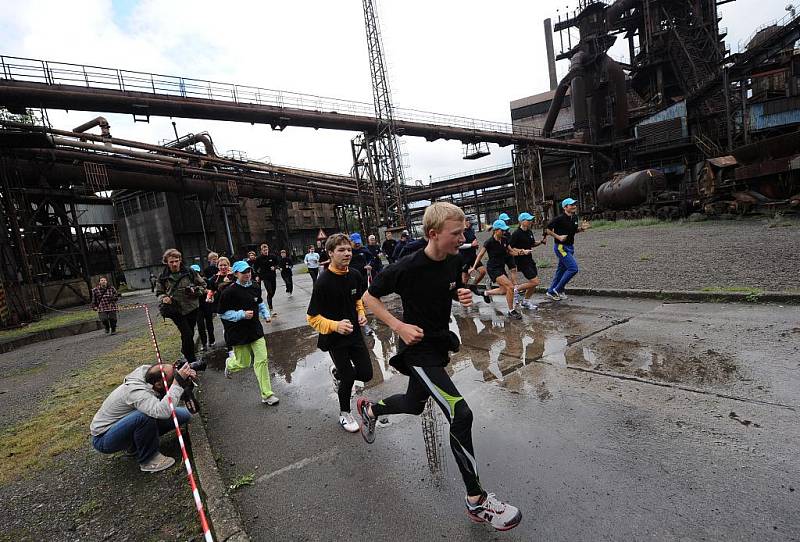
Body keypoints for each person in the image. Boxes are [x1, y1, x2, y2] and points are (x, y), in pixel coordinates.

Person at [358, 202, 522, 531]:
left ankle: (370, 411)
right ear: (433, 234)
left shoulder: (453, 261)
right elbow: (368, 298)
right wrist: (398, 326)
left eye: (463, 231)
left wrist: (460, 294)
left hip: (438, 343)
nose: (463, 238)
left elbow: (446, 289)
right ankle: (476, 501)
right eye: (456, 233)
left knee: (415, 405)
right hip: (417, 349)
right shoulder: (407, 266)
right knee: (461, 414)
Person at [306, 233, 373, 433]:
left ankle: (338, 373)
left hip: (354, 335)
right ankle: (345, 414)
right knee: (348, 377)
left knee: (367, 374)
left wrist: (361, 313)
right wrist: (336, 325)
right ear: (330, 253)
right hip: (334, 339)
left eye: (349, 249)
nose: (346, 253)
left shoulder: (354, 275)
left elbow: (357, 299)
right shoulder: (323, 282)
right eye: (341, 250)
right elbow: (312, 318)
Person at [90, 362, 196, 473]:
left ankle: (135, 445)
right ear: (159, 384)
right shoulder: (135, 391)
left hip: (125, 423)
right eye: (173, 376)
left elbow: (168, 396)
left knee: (185, 415)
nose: (175, 375)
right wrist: (177, 384)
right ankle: (149, 460)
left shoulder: (149, 377)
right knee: (145, 417)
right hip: (104, 437)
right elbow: (162, 411)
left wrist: (184, 383)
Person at [219, 260, 278, 405]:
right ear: (236, 274)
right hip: (238, 333)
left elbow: (259, 302)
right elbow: (223, 314)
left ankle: (267, 395)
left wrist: (266, 314)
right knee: (243, 363)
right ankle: (230, 363)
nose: (247, 274)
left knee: (262, 360)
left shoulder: (255, 286)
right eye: (244, 272)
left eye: (249, 271)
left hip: (255, 330)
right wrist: (241, 315)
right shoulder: (229, 292)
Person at [155, 249, 207, 364]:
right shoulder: (163, 276)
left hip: (192, 307)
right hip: (175, 310)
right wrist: (164, 298)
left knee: (190, 333)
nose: (174, 264)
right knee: (187, 333)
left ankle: (185, 351)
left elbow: (203, 285)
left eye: (176, 261)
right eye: (171, 262)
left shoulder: (190, 272)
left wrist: (195, 291)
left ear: (180, 260)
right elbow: (159, 292)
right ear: (166, 262)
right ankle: (191, 360)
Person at [470, 220, 523, 320]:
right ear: (495, 230)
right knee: (510, 287)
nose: (504, 232)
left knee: (503, 290)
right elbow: (480, 255)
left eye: (504, 230)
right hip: (493, 269)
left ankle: (486, 293)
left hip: (501, 267)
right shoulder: (489, 242)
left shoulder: (505, 240)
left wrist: (521, 252)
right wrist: (473, 267)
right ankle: (511, 311)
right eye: (502, 230)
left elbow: (511, 251)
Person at [545, 197, 589, 300]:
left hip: (570, 247)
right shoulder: (559, 218)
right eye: (571, 205)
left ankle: (551, 291)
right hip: (561, 247)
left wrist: (581, 229)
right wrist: (558, 237)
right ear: (565, 207)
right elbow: (547, 230)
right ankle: (559, 289)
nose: (574, 206)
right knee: (573, 268)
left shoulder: (574, 218)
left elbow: (573, 231)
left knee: (561, 270)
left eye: (575, 204)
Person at [509, 212, 545, 310]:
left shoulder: (529, 232)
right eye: (528, 220)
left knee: (533, 282)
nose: (530, 222)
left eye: (530, 220)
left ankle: (526, 301)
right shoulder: (516, 233)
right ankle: (516, 289)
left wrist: (541, 242)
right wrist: (522, 251)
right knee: (535, 282)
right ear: (521, 221)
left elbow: (532, 244)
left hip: (530, 260)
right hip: (521, 261)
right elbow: (510, 248)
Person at [191, 264, 216, 350]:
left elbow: (211, 290)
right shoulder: (190, 284)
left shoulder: (205, 280)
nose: (196, 274)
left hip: (207, 304)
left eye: (197, 272)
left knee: (209, 323)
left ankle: (212, 340)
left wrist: (207, 292)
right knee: (200, 325)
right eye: (194, 272)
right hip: (197, 306)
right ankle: (204, 343)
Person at [459, 216, 485, 287]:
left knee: (483, 271)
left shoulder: (471, 230)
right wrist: (471, 245)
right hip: (464, 257)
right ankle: (463, 292)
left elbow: (474, 240)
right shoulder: (460, 231)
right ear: (464, 222)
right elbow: (458, 246)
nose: (470, 224)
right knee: (465, 279)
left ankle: (473, 286)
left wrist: (476, 245)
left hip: (473, 255)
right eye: (469, 222)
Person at [254, 244, 279, 315]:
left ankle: (269, 298)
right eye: (264, 250)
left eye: (266, 250)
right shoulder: (259, 258)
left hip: (273, 276)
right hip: (265, 277)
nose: (266, 251)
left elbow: (278, 264)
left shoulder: (272, 256)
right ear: (261, 251)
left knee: (273, 292)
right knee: (270, 292)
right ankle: (271, 309)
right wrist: (257, 276)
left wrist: (275, 267)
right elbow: (255, 268)